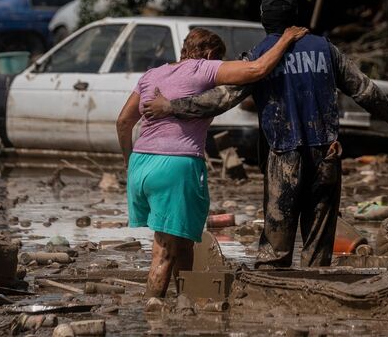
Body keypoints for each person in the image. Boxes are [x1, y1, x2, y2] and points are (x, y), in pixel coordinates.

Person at [143, 0, 388, 269]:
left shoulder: (261, 56)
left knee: (274, 250)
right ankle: (317, 290)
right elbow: (365, 90)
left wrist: (171, 106)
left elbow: (221, 99)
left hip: (284, 156)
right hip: (326, 155)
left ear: (264, 18)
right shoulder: (326, 49)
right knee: (318, 246)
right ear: (295, 15)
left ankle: (272, 292)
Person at [115, 25, 308, 298]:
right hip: (176, 166)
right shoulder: (203, 69)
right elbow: (257, 70)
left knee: (183, 241)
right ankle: (152, 310)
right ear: (208, 53)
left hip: (141, 165)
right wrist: (286, 39)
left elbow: (123, 122)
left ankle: (185, 301)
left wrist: (129, 162)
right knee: (164, 251)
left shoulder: (152, 74)